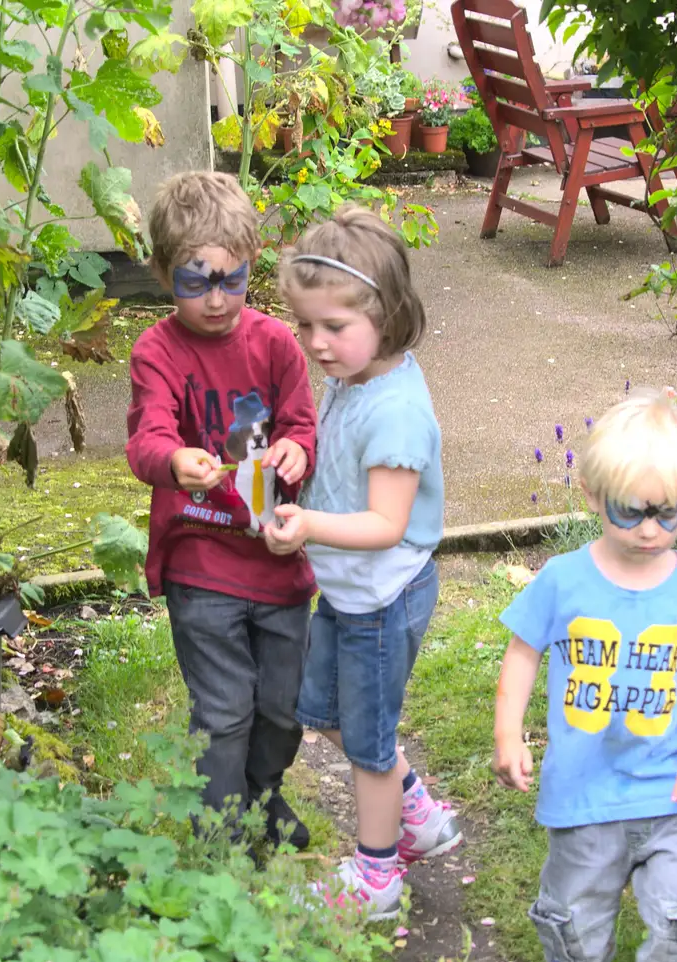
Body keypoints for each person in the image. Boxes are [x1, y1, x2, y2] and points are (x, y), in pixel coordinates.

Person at [491, 390, 677, 962]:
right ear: (590, 493)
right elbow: (523, 654)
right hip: (586, 789)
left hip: (672, 795)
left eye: (667, 515)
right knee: (576, 901)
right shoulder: (563, 579)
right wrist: (508, 734)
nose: (649, 530)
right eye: (632, 511)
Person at [262, 206, 462, 921]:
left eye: (333, 327)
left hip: (381, 599)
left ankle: (377, 877)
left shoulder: (396, 411)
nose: (316, 343)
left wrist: (310, 522)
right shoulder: (354, 376)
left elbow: (385, 523)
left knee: (369, 745)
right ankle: (420, 815)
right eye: (306, 324)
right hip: (346, 592)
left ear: (388, 313)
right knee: (322, 709)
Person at [125, 171, 317, 850]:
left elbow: (301, 425)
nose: (215, 298)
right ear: (161, 272)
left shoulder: (276, 345)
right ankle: (223, 833)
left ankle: (263, 795)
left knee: (282, 707)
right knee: (225, 708)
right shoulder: (157, 352)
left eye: (231, 281)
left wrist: (295, 450)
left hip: (275, 555)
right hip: (201, 559)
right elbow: (147, 437)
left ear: (251, 266)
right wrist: (174, 460)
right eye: (195, 281)